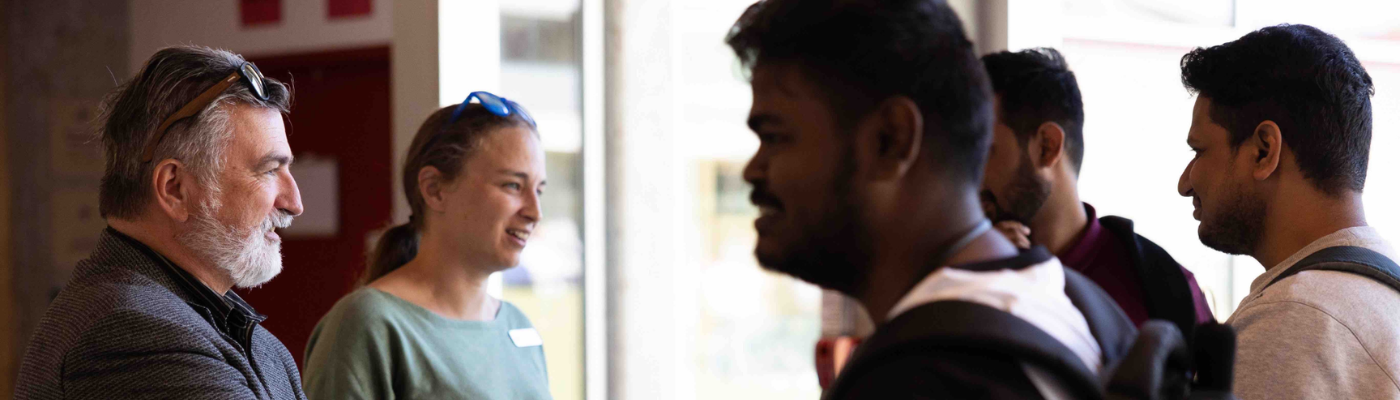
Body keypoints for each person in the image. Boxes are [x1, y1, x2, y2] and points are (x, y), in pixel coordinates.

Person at [727, 0, 1139, 398]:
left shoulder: (921, 378)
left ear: (892, 139)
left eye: (775, 137)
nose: (752, 170)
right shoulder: (1072, 304)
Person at [16, 46, 305, 399]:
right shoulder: (129, 334)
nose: (294, 204)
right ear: (175, 188)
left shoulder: (246, 337)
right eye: (269, 170)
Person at [1177, 24, 1400, 399]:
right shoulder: (1383, 301)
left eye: (1198, 151)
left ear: (1264, 150)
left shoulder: (1293, 322)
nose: (1184, 183)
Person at [301, 92, 551, 400]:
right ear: (434, 190)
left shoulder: (518, 325)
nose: (534, 212)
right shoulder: (367, 323)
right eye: (513, 185)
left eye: (539, 189)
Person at [979, 48, 1214, 339]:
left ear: (1046, 147)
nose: (968, 178)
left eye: (983, 153)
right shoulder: (959, 275)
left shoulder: (1164, 289)